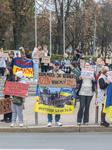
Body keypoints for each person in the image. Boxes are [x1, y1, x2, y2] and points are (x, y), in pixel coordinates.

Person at [47, 60, 64, 127]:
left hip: (59, 92)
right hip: (50, 92)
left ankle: (57, 120)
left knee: (58, 106)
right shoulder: (49, 73)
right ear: (53, 65)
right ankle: (49, 121)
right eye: (55, 65)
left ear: (59, 66)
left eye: (58, 65)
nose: (56, 66)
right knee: (50, 106)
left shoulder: (62, 73)